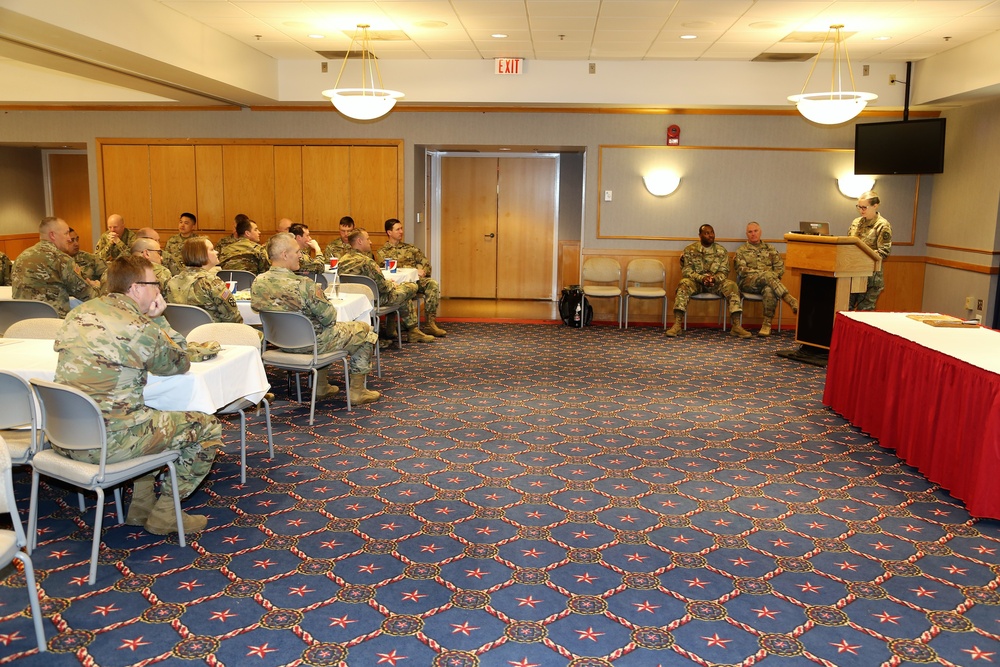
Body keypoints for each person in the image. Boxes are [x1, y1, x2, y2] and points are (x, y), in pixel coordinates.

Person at [53, 255, 222, 535]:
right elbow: (180, 362)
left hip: (64, 436)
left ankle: (141, 504)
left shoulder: (78, 313)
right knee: (206, 427)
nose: (158, 291)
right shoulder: (139, 326)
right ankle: (166, 515)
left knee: (148, 414)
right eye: (154, 284)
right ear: (135, 288)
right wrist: (159, 320)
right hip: (110, 442)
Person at [251, 233, 380, 404]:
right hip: (311, 344)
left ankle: (322, 386)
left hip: (279, 344)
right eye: (297, 252)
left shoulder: (258, 282)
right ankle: (357, 392)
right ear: (284, 255)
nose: (300, 255)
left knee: (326, 330)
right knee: (364, 330)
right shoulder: (304, 284)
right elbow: (329, 318)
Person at [339, 228, 434, 343]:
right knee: (411, 287)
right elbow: (383, 287)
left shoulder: (342, 261)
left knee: (402, 294)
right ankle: (412, 330)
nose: (370, 242)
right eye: (368, 239)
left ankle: (393, 328)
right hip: (376, 300)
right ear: (359, 241)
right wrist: (392, 284)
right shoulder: (367, 262)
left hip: (355, 301)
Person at [665, 224, 751, 338]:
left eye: (712, 232)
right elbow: (687, 271)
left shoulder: (721, 251)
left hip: (715, 283)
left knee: (732, 286)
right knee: (684, 284)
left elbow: (724, 271)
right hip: (696, 282)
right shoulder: (690, 250)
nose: (710, 235)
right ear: (700, 236)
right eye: (707, 233)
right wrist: (702, 278)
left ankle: (736, 326)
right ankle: (677, 325)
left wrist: (714, 279)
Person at [12, 216, 98, 316]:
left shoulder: (20, 258)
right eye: (66, 233)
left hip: (22, 322)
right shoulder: (61, 259)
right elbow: (88, 295)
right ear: (52, 235)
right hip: (53, 324)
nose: (69, 238)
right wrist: (98, 287)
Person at [376, 218, 447, 337]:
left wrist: (422, 270)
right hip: (397, 285)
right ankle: (394, 326)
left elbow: (425, 263)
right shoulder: (381, 252)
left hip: (415, 281)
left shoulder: (410, 248)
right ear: (389, 232)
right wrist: (413, 269)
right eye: (397, 229)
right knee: (401, 292)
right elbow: (384, 272)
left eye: (401, 228)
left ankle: (430, 324)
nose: (401, 231)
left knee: (432, 283)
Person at [734, 221, 799, 336]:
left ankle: (766, 324)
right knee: (768, 276)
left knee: (770, 289)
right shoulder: (741, 250)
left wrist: (768, 277)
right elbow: (742, 270)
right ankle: (789, 299)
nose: (753, 234)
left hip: (769, 283)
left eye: (756, 231)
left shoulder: (770, 249)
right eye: (750, 232)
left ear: (760, 232)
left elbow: (780, 268)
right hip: (748, 283)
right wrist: (762, 274)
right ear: (746, 234)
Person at [164, 238, 242, 323]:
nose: (217, 252)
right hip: (211, 333)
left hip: (181, 333)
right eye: (212, 250)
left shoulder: (172, 282)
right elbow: (232, 317)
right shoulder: (212, 282)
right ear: (201, 254)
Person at [848, 191, 892, 311]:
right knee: (846, 309)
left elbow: (883, 252)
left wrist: (862, 256)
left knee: (865, 312)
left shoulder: (882, 225)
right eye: (859, 207)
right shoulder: (856, 223)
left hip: (871, 278)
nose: (861, 210)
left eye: (864, 207)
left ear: (875, 206)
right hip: (852, 274)